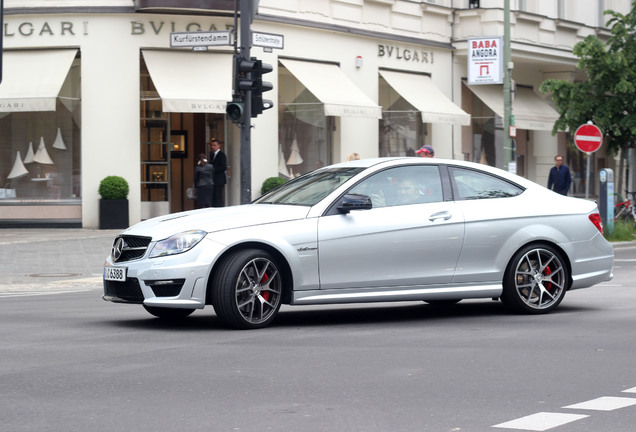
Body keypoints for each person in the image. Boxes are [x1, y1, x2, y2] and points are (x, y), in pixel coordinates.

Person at [209, 138, 227, 207]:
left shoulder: (221, 155)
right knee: (213, 197)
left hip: (219, 179)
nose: (213, 147)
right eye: (212, 145)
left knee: (218, 197)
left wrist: (213, 169)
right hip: (213, 179)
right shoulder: (212, 155)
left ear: (219, 145)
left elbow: (223, 167)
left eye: (214, 145)